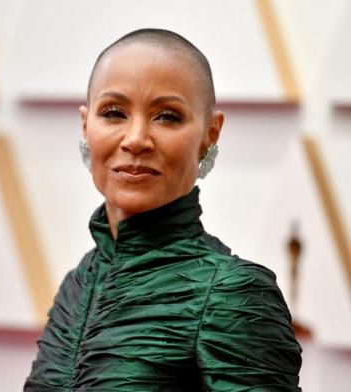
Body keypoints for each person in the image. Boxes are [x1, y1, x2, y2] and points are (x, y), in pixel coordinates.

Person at [24, 28, 302, 391]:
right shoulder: (78, 282)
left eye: (167, 116)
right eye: (113, 112)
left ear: (210, 133)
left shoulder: (235, 294)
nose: (136, 138)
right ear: (85, 125)